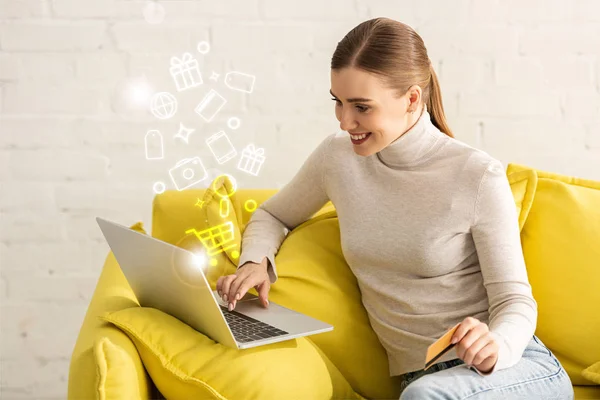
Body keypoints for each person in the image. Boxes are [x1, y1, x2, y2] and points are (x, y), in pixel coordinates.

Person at [216, 17, 574, 399]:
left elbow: (515, 300)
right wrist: (255, 262)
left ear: (412, 99)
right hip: (425, 383)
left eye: (362, 107)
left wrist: (496, 349)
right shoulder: (337, 159)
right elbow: (274, 214)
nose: (345, 121)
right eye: (338, 102)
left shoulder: (476, 175)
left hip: (513, 372)